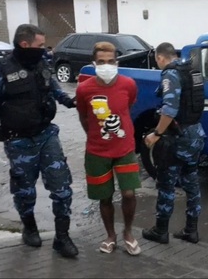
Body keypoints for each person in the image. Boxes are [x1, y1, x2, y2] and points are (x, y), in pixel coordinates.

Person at [0, 24, 79, 258]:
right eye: (40, 45)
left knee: (62, 189)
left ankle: (62, 237)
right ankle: (29, 227)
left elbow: (55, 90)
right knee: (24, 191)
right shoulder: (0, 69)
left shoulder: (42, 64)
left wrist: (71, 101)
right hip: (18, 141)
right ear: (25, 44)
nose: (44, 50)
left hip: (47, 135)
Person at [75, 41, 143, 256]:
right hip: (97, 151)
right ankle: (110, 235)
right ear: (94, 63)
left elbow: (128, 107)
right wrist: (94, 136)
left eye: (111, 61)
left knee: (129, 193)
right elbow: (84, 116)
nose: (107, 65)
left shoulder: (128, 84)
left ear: (117, 62)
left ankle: (128, 233)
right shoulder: (84, 89)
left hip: (124, 148)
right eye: (102, 62)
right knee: (104, 197)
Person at [142, 42, 206, 245]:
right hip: (195, 133)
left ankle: (160, 231)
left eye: (157, 61)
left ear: (161, 58)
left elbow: (169, 109)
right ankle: (191, 231)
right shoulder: (192, 70)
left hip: (176, 137)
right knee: (192, 182)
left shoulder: (171, 75)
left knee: (166, 184)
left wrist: (157, 134)